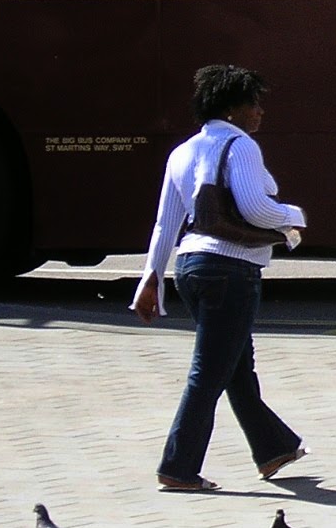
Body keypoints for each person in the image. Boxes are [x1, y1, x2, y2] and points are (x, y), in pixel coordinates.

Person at [131, 64, 308, 492]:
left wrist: (150, 277)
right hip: (231, 268)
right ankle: (178, 466)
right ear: (232, 109)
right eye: (254, 103)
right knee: (210, 371)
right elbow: (255, 209)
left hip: (191, 268)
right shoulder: (241, 146)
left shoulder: (183, 151)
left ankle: (273, 448)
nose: (260, 112)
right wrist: (293, 219)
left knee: (235, 366)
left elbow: (165, 223)